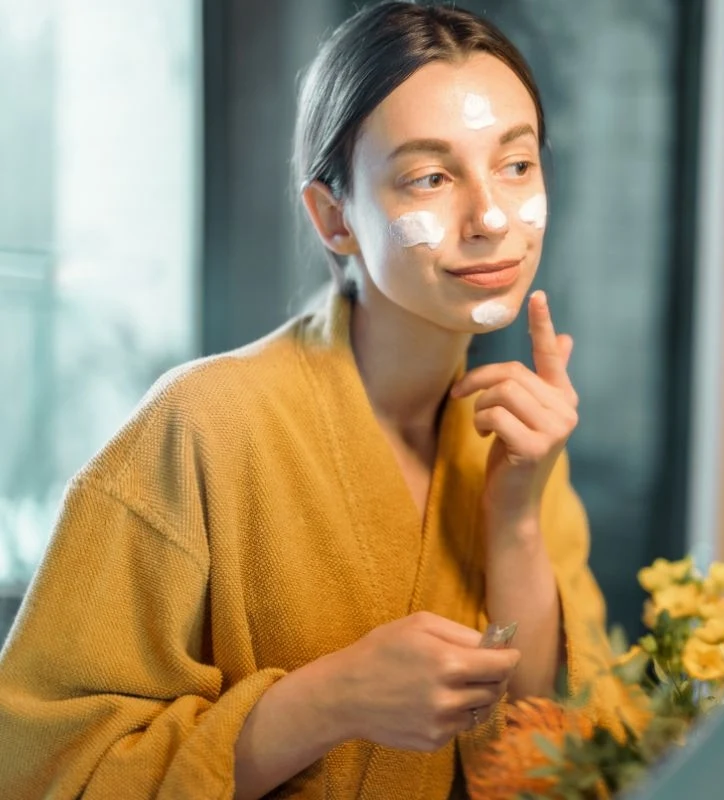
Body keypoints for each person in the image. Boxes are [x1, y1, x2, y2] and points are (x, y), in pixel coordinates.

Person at [0, 3, 632, 797]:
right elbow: (40, 770)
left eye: (516, 164)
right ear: (335, 217)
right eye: (430, 177)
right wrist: (328, 701)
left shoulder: (518, 437)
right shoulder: (202, 426)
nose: (492, 217)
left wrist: (515, 519)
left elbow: (553, 758)